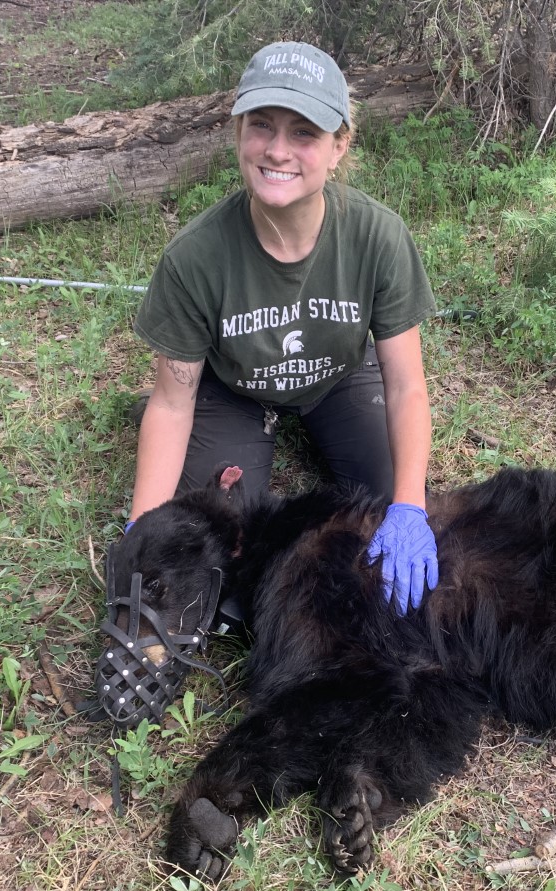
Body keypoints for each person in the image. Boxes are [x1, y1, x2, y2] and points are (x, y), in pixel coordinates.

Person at [125, 41, 439, 615]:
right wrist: (143, 527)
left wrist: (411, 507)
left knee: (387, 502)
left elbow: (406, 386)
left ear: (339, 146)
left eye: (303, 133)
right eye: (262, 125)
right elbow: (171, 403)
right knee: (222, 538)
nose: (277, 150)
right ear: (238, 132)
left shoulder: (378, 237)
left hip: (339, 378)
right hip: (235, 391)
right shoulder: (195, 257)